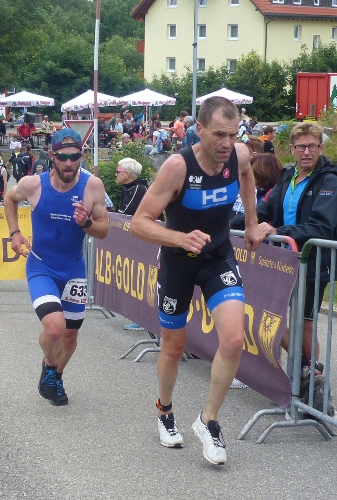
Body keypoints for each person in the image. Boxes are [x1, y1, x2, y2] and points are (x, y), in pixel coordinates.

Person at [130, 96, 264, 465]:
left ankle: (208, 420)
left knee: (234, 338)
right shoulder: (177, 166)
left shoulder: (237, 155)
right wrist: (179, 238)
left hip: (218, 256)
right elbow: (139, 223)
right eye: (219, 134)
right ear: (199, 130)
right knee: (173, 348)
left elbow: (248, 176)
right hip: (177, 262)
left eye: (233, 134)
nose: (226, 143)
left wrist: (251, 223)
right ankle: (165, 410)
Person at [4, 128, 109, 406]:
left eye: (75, 157)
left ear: (82, 156)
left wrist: (87, 223)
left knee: (71, 335)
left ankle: (57, 376)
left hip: (73, 270)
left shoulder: (93, 186)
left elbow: (104, 231)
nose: (69, 163)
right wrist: (15, 233)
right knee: (54, 329)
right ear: (52, 156)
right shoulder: (33, 184)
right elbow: (9, 199)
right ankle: (49, 366)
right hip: (41, 266)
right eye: (63, 157)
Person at [257, 122, 337, 378]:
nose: (306, 152)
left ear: (320, 147)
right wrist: (241, 224)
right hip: (282, 259)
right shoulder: (287, 176)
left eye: (312, 146)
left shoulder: (329, 180)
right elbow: (266, 210)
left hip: (312, 261)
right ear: (291, 149)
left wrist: (279, 232)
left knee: (304, 323)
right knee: (270, 317)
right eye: (301, 146)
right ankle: (301, 371)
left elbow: (321, 226)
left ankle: (310, 378)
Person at [116, 157, 148, 331]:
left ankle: (144, 319)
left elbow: (126, 213)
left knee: (143, 279)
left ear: (127, 174)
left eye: (118, 171)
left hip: (145, 240)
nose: (116, 174)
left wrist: (111, 215)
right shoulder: (127, 188)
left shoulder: (139, 188)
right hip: (135, 239)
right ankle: (139, 316)